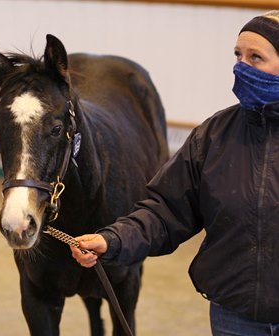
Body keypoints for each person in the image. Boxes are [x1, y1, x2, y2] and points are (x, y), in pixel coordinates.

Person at [70, 10, 279, 336]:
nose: (242, 67)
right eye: (238, 55)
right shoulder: (215, 135)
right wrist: (112, 240)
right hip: (236, 315)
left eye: (256, 57)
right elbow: (166, 211)